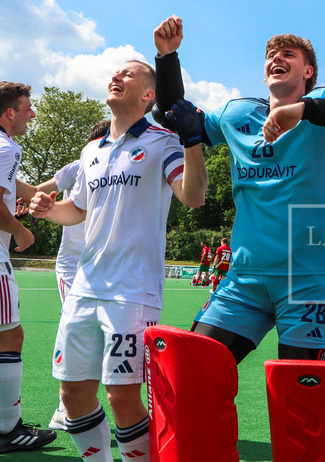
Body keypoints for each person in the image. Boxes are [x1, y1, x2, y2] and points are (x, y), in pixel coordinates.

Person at [152, 16, 325, 369]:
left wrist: (301, 111)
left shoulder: (323, 104)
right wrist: (167, 57)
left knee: (304, 397)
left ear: (308, 71)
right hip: (244, 278)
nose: (278, 57)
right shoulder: (237, 113)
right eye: (272, 55)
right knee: (192, 370)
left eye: (289, 54)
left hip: (309, 278)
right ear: (265, 74)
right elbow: (173, 115)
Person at [29, 61, 208, 461]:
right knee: (72, 394)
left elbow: (193, 197)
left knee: (121, 396)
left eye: (128, 74)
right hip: (84, 290)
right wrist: (47, 209)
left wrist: (193, 142)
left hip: (132, 292)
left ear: (148, 94)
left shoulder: (165, 142)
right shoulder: (91, 150)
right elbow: (76, 210)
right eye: (115, 73)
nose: (116, 77)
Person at [32, 119, 111, 431]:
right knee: (76, 328)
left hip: (105, 265)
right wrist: (15, 195)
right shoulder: (76, 167)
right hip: (72, 267)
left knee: (104, 333)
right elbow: (40, 191)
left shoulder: (124, 168)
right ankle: (65, 408)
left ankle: (80, 403)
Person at [0, 82, 57, 451]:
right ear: (9, 113)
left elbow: (14, 185)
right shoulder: (7, 147)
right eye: (27, 108)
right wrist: (21, 230)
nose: (32, 114)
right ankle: (8, 430)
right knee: (10, 337)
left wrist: (35, 193)